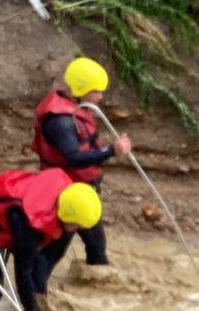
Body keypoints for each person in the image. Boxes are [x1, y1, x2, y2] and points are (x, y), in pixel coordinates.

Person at [0, 168, 101, 311]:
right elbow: (23, 273)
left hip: (13, 226)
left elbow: (46, 261)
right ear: (67, 216)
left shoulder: (66, 209)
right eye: (77, 226)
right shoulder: (28, 226)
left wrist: (39, 299)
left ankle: (31, 306)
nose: (78, 229)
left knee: (39, 265)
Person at [31, 56, 130, 271]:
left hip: (83, 190)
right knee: (56, 248)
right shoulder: (61, 121)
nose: (101, 97)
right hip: (67, 193)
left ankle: (96, 282)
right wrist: (111, 150)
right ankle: (33, 291)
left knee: (96, 244)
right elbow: (73, 158)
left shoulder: (75, 107)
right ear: (82, 88)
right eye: (96, 91)